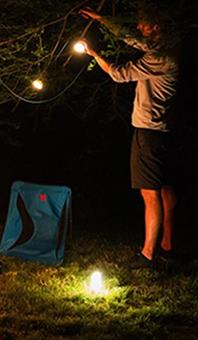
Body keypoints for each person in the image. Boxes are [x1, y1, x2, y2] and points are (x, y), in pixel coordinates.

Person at [80, 5, 179, 269]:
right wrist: (102, 19)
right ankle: (167, 247)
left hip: (149, 132)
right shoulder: (168, 49)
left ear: (156, 27)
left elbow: (118, 73)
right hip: (164, 132)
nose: (138, 28)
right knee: (165, 189)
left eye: (143, 25)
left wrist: (93, 54)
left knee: (150, 194)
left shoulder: (159, 58)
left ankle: (148, 254)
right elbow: (134, 39)